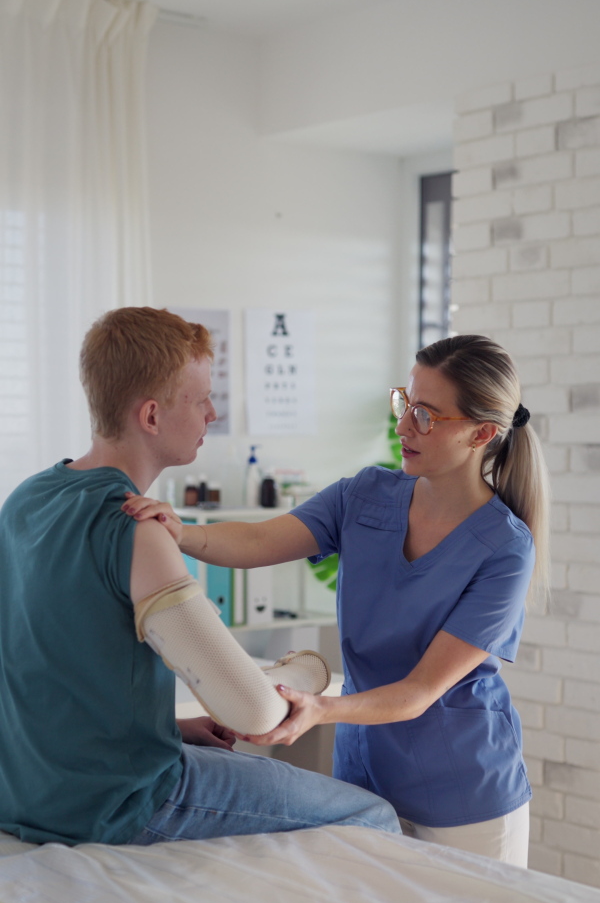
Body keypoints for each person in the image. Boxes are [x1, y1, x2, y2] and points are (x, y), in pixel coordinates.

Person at [124, 334, 550, 867]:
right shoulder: (365, 495)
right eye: (404, 403)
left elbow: (420, 690)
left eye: (425, 415)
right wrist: (178, 532)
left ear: (481, 433)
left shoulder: (505, 548)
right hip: (365, 770)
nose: (402, 426)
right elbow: (260, 541)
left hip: (464, 791)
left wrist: (320, 709)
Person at [0, 306, 401, 846]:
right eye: (201, 398)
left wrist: (165, 729)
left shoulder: (26, 499)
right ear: (150, 416)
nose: (213, 413)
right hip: (112, 803)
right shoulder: (135, 527)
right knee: (373, 817)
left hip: (24, 789)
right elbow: (254, 712)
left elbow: (52, 665)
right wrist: (307, 671)